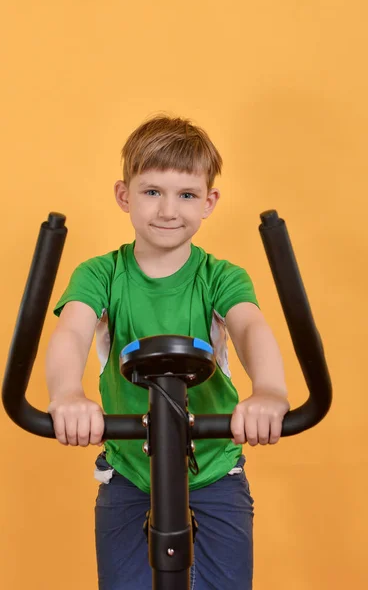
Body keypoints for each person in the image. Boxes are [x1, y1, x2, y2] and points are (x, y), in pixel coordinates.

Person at [46, 115, 290, 590]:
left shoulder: (221, 276)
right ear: (124, 195)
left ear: (209, 202)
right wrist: (66, 394)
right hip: (129, 467)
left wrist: (270, 391)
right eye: (152, 191)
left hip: (215, 465)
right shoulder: (102, 274)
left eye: (186, 195)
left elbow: (250, 327)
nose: (168, 210)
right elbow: (72, 332)